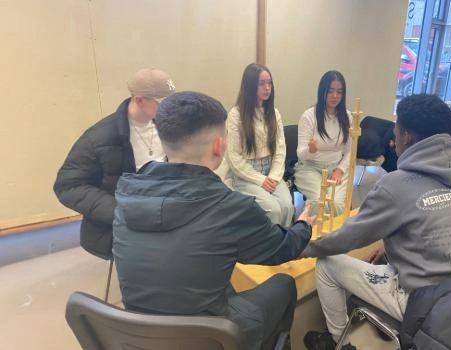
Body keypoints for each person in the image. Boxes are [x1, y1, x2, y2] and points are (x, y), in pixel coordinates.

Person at [112, 91, 314, 350]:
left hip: (141, 335)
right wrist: (303, 225)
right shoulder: (231, 208)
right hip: (209, 339)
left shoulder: (126, 195)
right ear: (219, 147)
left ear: (163, 142)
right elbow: (282, 248)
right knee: (284, 284)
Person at [301, 94, 451, 350]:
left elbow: (345, 238)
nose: (392, 140)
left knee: (327, 264)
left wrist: (298, 242)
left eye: (396, 130)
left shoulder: (396, 185)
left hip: (426, 305)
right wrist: (394, 245)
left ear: (407, 137)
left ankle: (340, 341)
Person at [53, 68, 175, 259]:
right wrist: (122, 211)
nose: (170, 108)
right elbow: (68, 186)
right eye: (163, 103)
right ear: (139, 100)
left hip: (162, 215)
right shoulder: (99, 137)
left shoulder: (167, 126)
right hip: (121, 225)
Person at [225, 63, 294, 226]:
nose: (267, 88)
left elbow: (280, 150)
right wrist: (260, 180)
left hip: (271, 172)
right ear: (250, 86)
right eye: (261, 83)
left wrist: (274, 177)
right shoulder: (235, 115)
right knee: (274, 210)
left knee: (287, 206)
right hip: (246, 175)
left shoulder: (274, 113)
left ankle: (283, 247)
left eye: (269, 83)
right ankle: (267, 249)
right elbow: (234, 158)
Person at [295, 70, 351, 216]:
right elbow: (300, 154)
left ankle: (334, 237)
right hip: (310, 168)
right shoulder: (309, 116)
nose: (335, 96)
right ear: (322, 91)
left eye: (339, 92)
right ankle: (312, 236)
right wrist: (310, 150)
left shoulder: (347, 117)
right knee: (320, 202)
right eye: (330, 91)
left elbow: (350, 151)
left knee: (337, 204)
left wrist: (339, 170)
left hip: (336, 169)